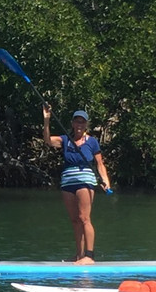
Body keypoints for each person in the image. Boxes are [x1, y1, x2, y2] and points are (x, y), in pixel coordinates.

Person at [42, 106, 112, 264]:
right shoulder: (65, 139)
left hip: (85, 180)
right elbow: (48, 140)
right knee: (74, 219)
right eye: (77, 121)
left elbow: (100, 164)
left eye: (82, 122)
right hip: (68, 181)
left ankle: (90, 256)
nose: (79, 125)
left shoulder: (92, 142)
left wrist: (105, 180)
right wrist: (47, 120)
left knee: (84, 218)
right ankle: (79, 255)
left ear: (86, 125)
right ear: (72, 123)